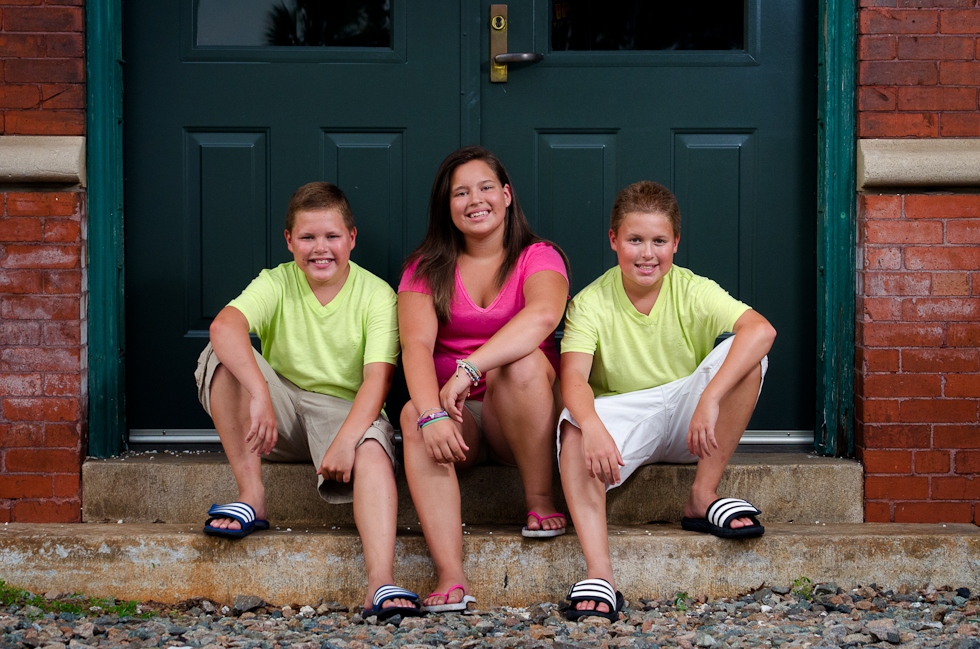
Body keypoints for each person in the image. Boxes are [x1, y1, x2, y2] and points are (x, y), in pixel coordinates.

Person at [194, 182, 422, 619]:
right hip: (276, 414)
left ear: (352, 238)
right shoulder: (276, 281)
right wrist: (260, 393)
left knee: (373, 451)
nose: (321, 249)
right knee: (219, 356)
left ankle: (380, 581)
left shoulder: (376, 295)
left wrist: (346, 440)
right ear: (289, 241)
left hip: (344, 413)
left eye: (332, 236)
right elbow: (224, 326)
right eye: (308, 237)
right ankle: (252, 495)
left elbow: (378, 380)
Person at [558, 181, 777, 621]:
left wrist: (710, 397)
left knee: (749, 360)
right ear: (614, 240)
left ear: (676, 242)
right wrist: (592, 424)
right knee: (572, 424)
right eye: (635, 240)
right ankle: (600, 574)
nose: (646, 254)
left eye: (659, 241)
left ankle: (702, 496)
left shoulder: (693, 288)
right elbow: (574, 379)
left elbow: (762, 330)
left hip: (687, 416)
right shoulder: (589, 302)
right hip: (625, 420)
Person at [398, 146, 570, 612]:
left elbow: (544, 315)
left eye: (486, 187)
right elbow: (414, 346)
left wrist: (469, 368)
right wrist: (432, 412)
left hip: (520, 409)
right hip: (458, 422)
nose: (475, 199)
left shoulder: (538, 256)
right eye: (460, 192)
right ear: (446, 206)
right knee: (414, 413)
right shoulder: (425, 267)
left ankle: (538, 497)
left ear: (508, 195)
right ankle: (450, 572)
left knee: (526, 361)